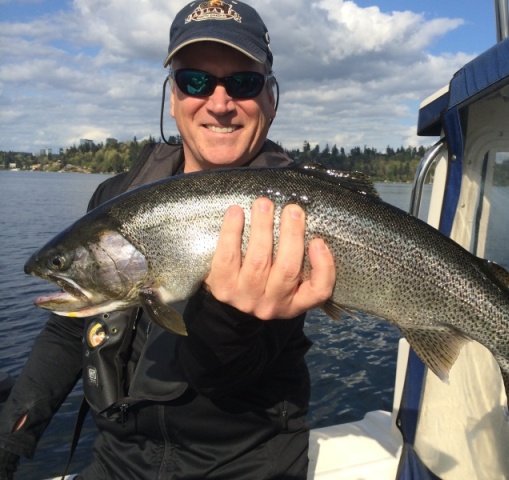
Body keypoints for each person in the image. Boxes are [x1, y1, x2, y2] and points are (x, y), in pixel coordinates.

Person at [0, 1, 336, 478]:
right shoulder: (115, 198)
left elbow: (223, 374)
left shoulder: (293, 215)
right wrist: (13, 434)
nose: (219, 103)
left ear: (270, 97)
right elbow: (70, 325)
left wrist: (229, 318)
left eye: (243, 82)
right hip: (117, 461)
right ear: (173, 96)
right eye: (194, 80)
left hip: (244, 465)